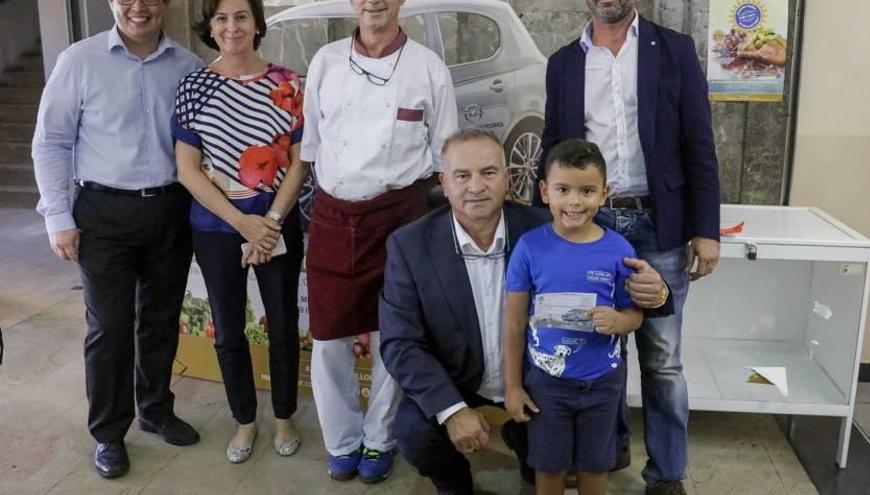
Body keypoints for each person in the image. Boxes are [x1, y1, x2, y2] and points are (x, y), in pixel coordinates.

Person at [380, 129, 669, 495]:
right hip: (461, 379)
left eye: (488, 172)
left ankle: (529, 447)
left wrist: (658, 292)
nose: (476, 186)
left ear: (508, 177)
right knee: (413, 431)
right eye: (462, 175)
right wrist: (451, 410)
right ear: (444, 183)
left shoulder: (552, 225)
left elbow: (621, 269)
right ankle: (454, 482)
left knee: (564, 466)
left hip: (545, 380)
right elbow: (399, 343)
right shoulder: (409, 246)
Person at [537, 2, 722, 494]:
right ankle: (602, 459)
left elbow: (698, 142)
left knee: (662, 358)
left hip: (658, 224)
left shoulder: (675, 50)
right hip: (589, 223)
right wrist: (550, 225)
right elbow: (554, 147)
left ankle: (666, 475)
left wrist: (706, 228)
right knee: (596, 347)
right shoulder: (564, 63)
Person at [31, 0, 202, 479]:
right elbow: (51, 141)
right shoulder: (79, 61)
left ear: (165, 4)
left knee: (162, 318)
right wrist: (57, 216)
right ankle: (108, 433)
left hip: (171, 209)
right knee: (109, 326)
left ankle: (155, 409)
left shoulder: (187, 66)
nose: (138, 7)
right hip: (102, 212)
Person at [300, 0, 458, 484]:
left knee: (395, 335)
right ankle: (343, 441)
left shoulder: (428, 68)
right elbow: (311, 147)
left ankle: (378, 439)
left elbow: (445, 156)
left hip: (398, 216)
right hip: (332, 212)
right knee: (328, 338)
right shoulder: (325, 61)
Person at [172, 0, 306, 464]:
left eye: (241, 16)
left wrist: (268, 223)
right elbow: (188, 171)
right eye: (221, 18)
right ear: (210, 27)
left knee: (283, 325)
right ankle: (245, 420)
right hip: (215, 228)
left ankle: (285, 414)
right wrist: (241, 222)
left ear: (256, 24)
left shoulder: (287, 83)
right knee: (229, 329)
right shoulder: (194, 86)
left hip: (277, 224)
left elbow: (300, 160)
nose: (232, 27)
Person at [504, 139, 642, 495]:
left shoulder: (619, 250)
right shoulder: (529, 248)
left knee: (595, 469)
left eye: (587, 191)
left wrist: (620, 322)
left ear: (604, 193)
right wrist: (513, 386)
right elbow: (515, 323)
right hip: (547, 384)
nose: (575, 202)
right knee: (548, 470)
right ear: (545, 191)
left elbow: (635, 315)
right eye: (563, 190)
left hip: (603, 383)